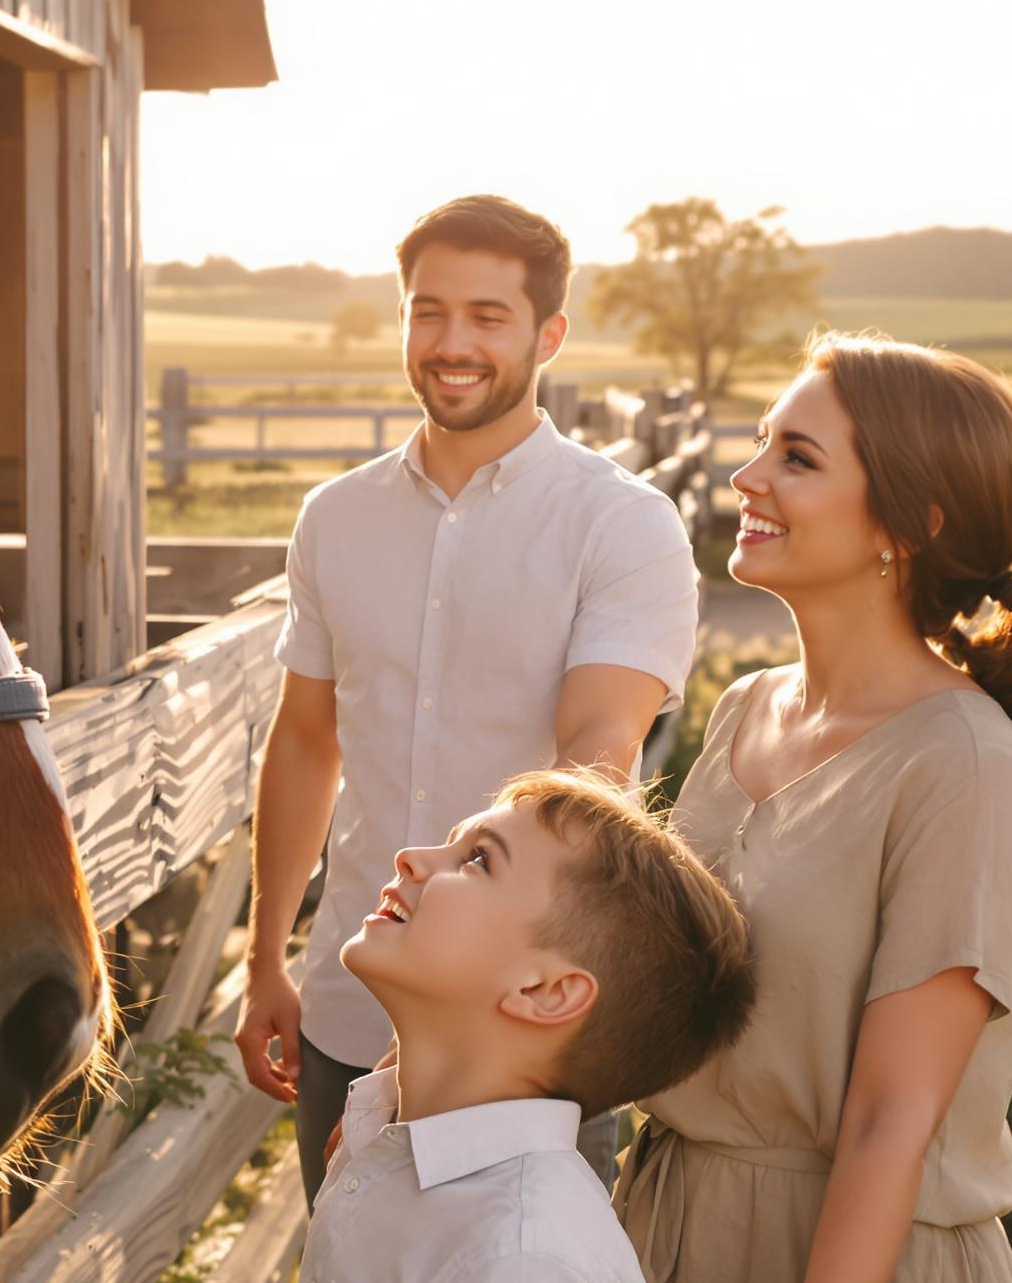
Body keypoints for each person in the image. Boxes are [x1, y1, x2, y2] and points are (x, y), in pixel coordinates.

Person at [613, 330, 1012, 1283]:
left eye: (797, 456)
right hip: (669, 1255)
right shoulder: (745, 711)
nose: (747, 479)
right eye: (758, 447)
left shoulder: (961, 767)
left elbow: (892, 1122)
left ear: (907, 524)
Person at [236, 194, 701, 1203]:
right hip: (347, 1016)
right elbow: (308, 742)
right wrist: (266, 954)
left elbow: (595, 752)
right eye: (427, 310)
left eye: (487, 316)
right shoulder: (334, 518)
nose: (451, 343)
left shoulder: (622, 527)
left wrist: (456, 1002)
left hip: (519, 1042)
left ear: (549, 335)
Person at [264, 769, 757, 1283]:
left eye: (476, 860)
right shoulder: (386, 1137)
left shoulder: (521, 1275)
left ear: (546, 990)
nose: (413, 857)